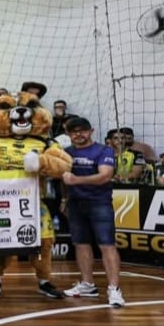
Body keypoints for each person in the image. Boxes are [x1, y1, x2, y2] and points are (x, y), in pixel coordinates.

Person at [62, 118, 124, 307]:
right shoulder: (66, 153)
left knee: (107, 245)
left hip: (100, 203)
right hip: (75, 204)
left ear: (92, 130)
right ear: (68, 134)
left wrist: (76, 181)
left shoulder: (104, 150)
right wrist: (65, 199)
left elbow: (105, 175)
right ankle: (88, 284)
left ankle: (114, 289)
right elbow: (62, 179)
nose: (78, 135)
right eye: (73, 132)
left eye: (82, 131)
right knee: (80, 244)